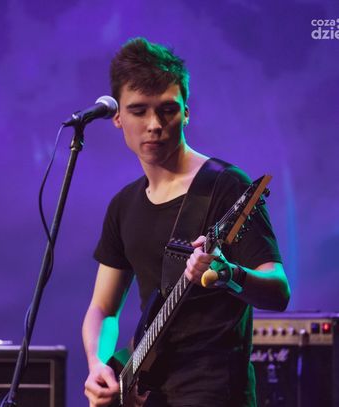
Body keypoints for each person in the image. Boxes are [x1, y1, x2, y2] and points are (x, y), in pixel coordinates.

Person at [82, 37, 290, 407]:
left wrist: (229, 274)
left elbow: (278, 290)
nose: (154, 125)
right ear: (117, 117)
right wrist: (98, 363)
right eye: (138, 111)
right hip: (148, 392)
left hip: (214, 393)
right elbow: (102, 309)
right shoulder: (124, 205)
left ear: (186, 113)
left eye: (167, 110)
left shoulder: (226, 186)